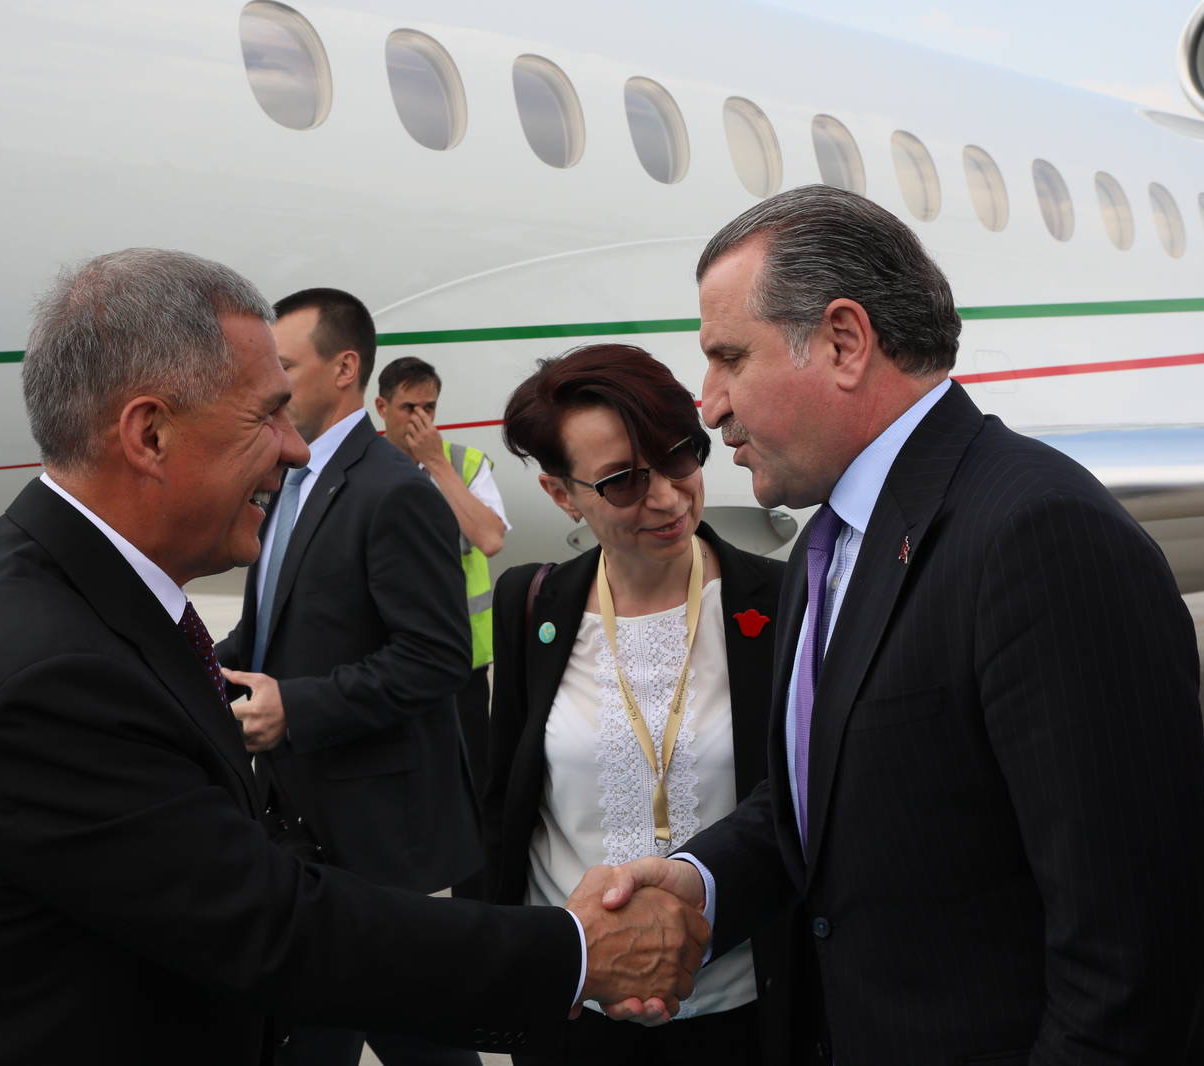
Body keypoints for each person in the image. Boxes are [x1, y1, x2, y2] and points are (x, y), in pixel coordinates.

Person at [0, 249, 708, 1065]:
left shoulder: (61, 592)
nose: (293, 448)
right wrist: (575, 949)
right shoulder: (48, 674)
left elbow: (427, 655)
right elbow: (274, 931)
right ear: (149, 435)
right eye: (265, 415)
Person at [590, 186, 1204, 1064]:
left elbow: (1130, 955)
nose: (709, 404)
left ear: (844, 342)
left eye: (728, 358)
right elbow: (831, 796)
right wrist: (701, 880)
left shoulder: (1038, 534)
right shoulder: (833, 545)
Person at [484, 343, 796, 1065]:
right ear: (562, 494)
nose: (666, 497)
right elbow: (506, 806)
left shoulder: (781, 603)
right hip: (574, 1016)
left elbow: (796, 804)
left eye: (681, 456)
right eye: (622, 481)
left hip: (738, 1010)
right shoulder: (530, 605)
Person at [212, 289, 480, 1066]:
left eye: (284, 366)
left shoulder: (393, 491)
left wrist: (294, 708)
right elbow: (269, 630)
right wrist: (191, 666)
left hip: (375, 841)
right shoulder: (287, 482)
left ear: (344, 369)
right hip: (298, 825)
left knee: (419, 1043)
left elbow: (437, 656)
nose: (268, 385)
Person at [374, 354, 510, 799]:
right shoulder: (364, 468)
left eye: (428, 408)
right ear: (382, 408)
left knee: (471, 778)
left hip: (460, 656)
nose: (420, 419)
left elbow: (490, 538)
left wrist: (437, 466)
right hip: (388, 655)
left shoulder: (464, 464)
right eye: (408, 408)